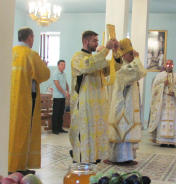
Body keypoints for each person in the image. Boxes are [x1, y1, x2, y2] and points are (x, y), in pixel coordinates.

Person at [69, 30, 118, 164]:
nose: (97, 43)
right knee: (84, 130)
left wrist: (116, 53)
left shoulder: (97, 58)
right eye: (94, 41)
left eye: (97, 40)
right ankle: (81, 158)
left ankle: (93, 157)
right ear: (86, 42)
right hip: (84, 103)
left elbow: (113, 69)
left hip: (98, 103)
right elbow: (88, 66)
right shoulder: (77, 57)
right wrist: (106, 49)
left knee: (96, 131)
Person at [9, 27, 50, 174]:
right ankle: (19, 167)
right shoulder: (31, 54)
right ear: (30, 38)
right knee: (24, 131)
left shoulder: (10, 51)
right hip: (26, 100)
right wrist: (44, 65)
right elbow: (44, 74)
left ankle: (8, 164)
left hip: (10, 100)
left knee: (10, 131)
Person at [107, 38, 147, 165]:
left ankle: (128, 157)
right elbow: (141, 72)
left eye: (132, 54)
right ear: (124, 55)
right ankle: (119, 158)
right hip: (122, 106)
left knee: (127, 131)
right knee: (122, 131)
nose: (132, 56)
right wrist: (137, 58)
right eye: (130, 54)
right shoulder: (124, 69)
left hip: (128, 105)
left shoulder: (127, 67)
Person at [148, 60, 176, 147]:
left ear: (173, 65)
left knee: (174, 120)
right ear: (165, 65)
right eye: (167, 64)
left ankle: (172, 141)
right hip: (163, 101)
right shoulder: (160, 76)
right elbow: (154, 88)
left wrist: (175, 92)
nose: (169, 66)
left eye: (171, 64)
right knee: (162, 118)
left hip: (173, 101)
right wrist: (163, 85)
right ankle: (163, 141)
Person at [52, 59, 69, 134]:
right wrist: (64, 92)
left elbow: (65, 83)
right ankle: (54, 129)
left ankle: (60, 128)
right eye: (62, 64)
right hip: (57, 96)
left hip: (63, 97)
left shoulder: (64, 74)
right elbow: (57, 85)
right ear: (58, 65)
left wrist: (68, 91)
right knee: (56, 113)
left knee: (61, 113)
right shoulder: (55, 74)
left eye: (64, 65)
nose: (63, 66)